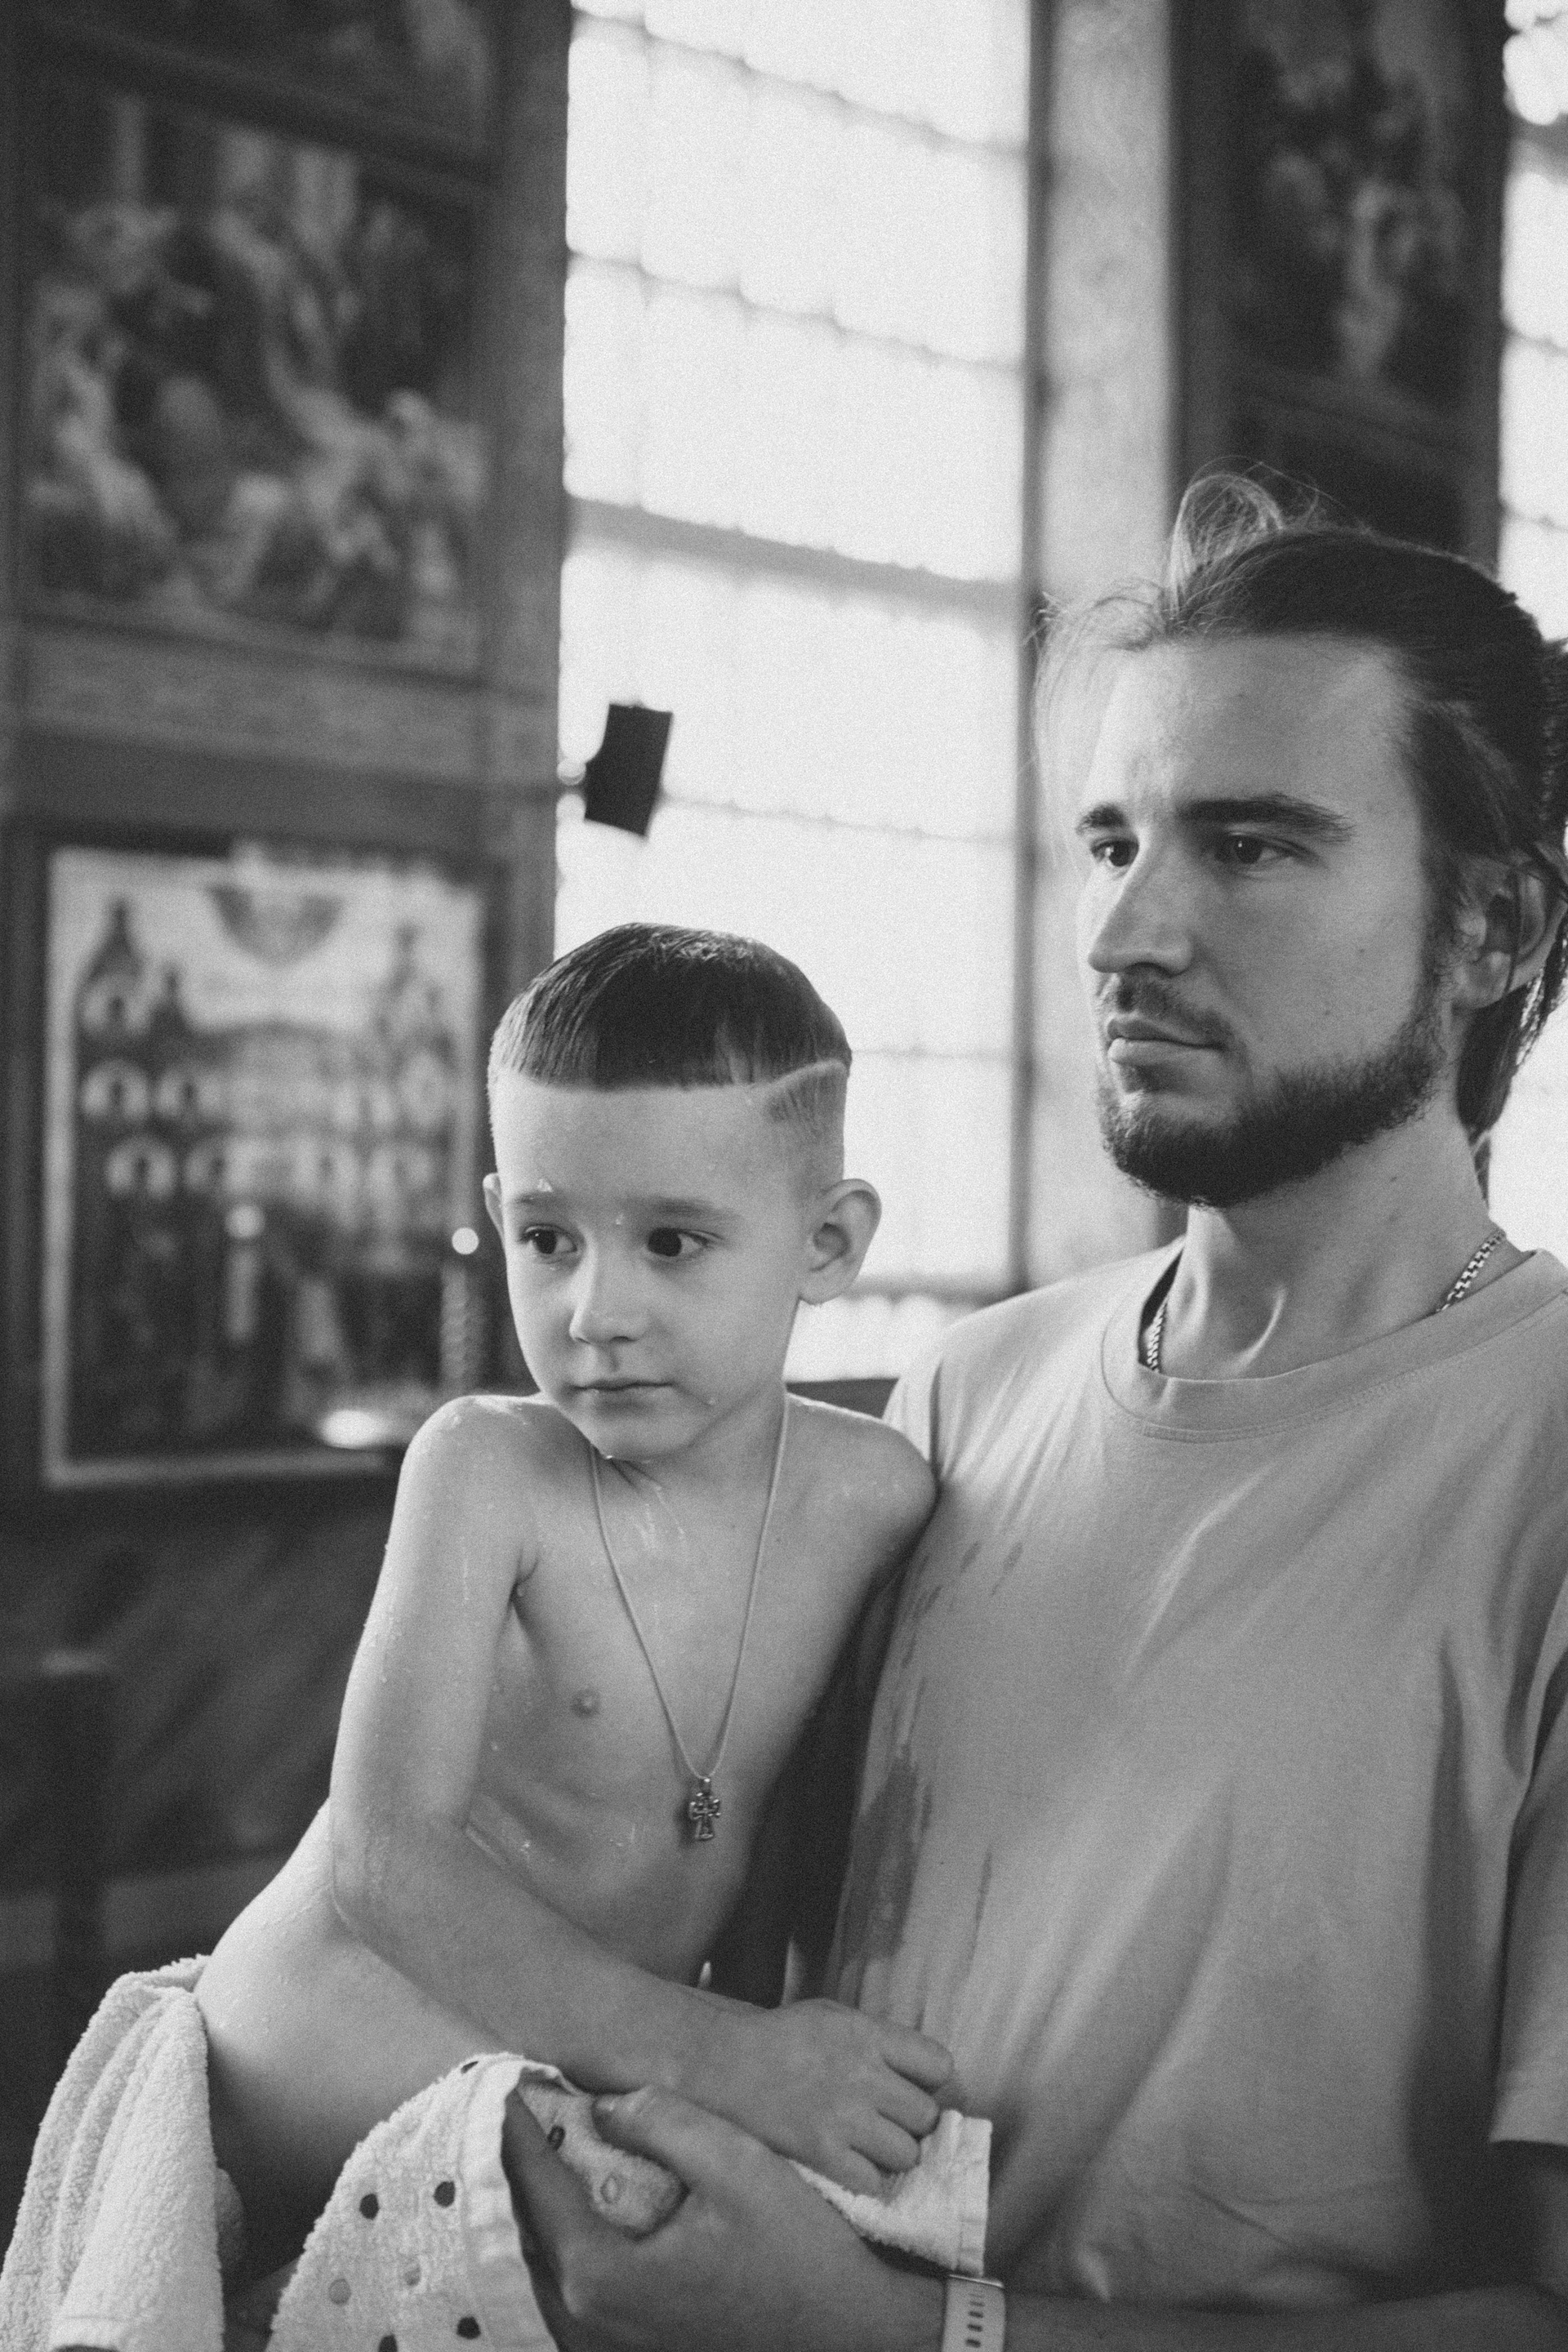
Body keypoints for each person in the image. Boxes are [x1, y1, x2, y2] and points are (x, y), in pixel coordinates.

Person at [501, 480, 1568, 2350]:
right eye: (1109, 841)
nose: (1127, 931)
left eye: (1249, 847)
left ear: (1493, 928)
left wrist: (910, 2339)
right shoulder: (967, 1394)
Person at [195, 924, 951, 2270]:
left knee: (795, 2214)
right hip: (341, 2007)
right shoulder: (487, 1466)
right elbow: (385, 1861)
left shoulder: (877, 1498)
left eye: (671, 1241)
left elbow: (789, 1832)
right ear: (501, 1222)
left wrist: (768, 2040)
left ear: (826, 1243)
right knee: (637, 2209)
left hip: (589, 2041)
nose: (596, 1308)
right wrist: (716, 2055)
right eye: (549, 1238)